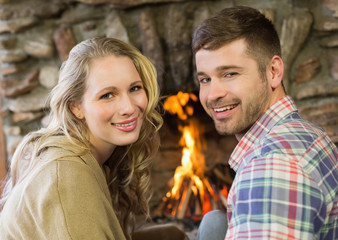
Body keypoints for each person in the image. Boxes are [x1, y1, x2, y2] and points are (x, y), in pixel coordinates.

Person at [0, 37, 187, 240]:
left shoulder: (83, 154)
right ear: (76, 107)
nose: (129, 108)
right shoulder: (67, 174)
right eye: (107, 95)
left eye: (134, 88)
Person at [193, 6, 338, 240]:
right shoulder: (309, 135)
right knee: (214, 224)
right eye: (205, 79)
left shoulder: (270, 167)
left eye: (230, 74)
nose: (212, 94)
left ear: (273, 71)